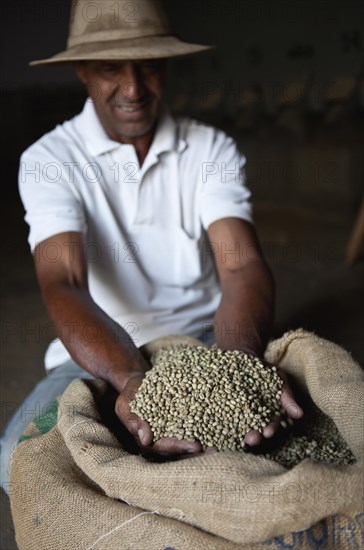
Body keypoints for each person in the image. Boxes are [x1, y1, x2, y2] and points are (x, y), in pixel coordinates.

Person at [1, 0, 303, 491]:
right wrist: (132, 380)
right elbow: (64, 283)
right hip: (102, 350)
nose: (134, 88)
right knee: (18, 460)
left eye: (148, 67)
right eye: (109, 69)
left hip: (208, 336)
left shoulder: (210, 149)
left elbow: (241, 266)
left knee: (275, 443)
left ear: (166, 65)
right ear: (81, 71)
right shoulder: (49, 160)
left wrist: (236, 366)